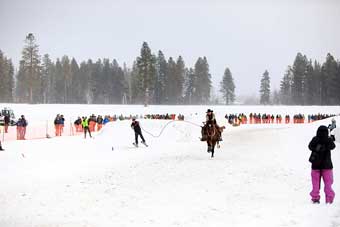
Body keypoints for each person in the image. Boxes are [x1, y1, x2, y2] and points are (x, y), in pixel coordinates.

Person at [308, 125, 336, 204]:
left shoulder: (315, 139)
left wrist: (317, 147)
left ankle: (315, 199)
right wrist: (326, 146)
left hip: (315, 165)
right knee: (328, 184)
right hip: (327, 166)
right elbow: (333, 146)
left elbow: (310, 146)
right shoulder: (328, 139)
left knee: (315, 184)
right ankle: (329, 200)